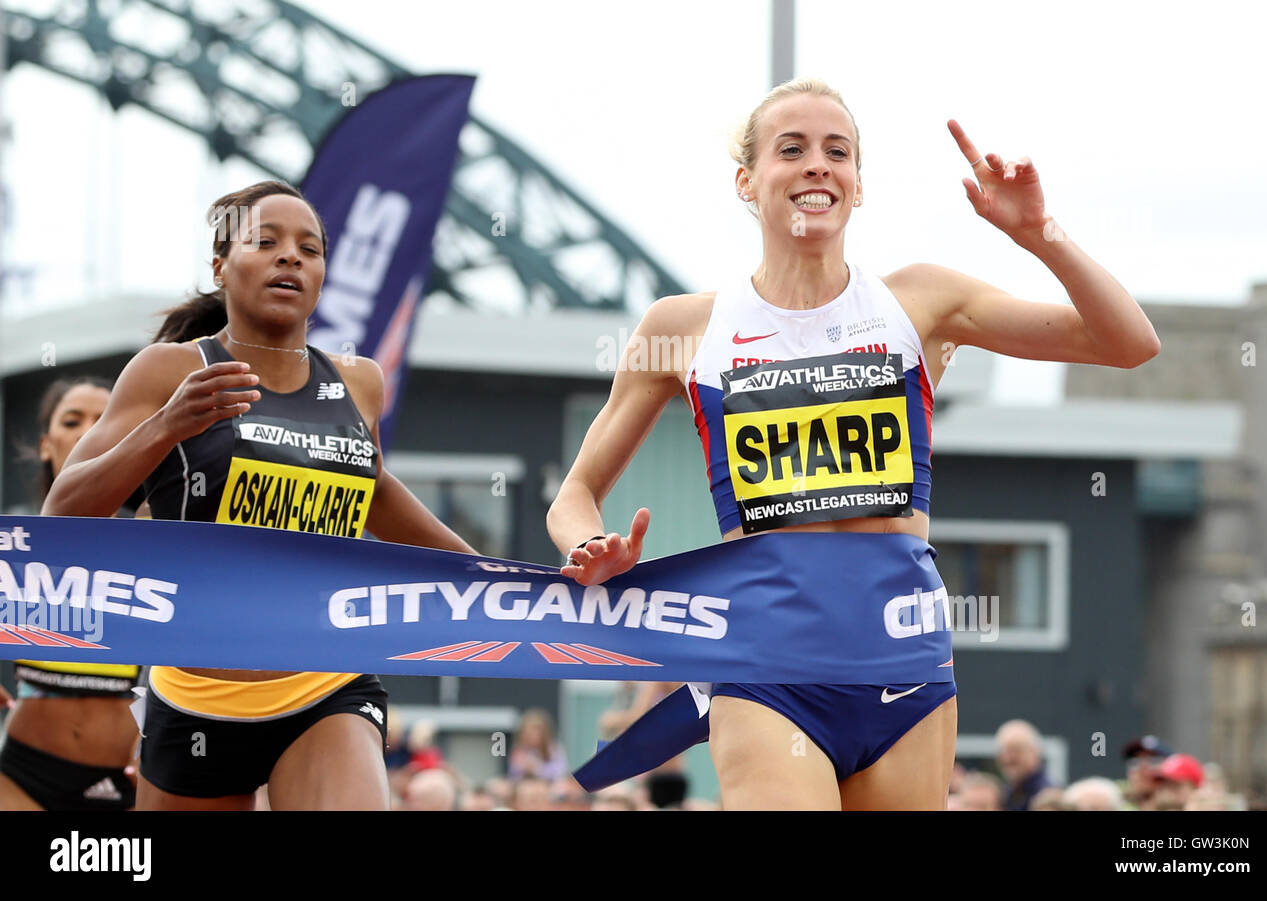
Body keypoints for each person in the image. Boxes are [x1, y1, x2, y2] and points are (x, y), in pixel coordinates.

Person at [547, 78, 1159, 810]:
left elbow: (1127, 343)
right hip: (764, 662)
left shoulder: (919, 302)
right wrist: (590, 548)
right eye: (792, 149)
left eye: (837, 151)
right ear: (747, 180)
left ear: (858, 185)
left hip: (903, 663)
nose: (817, 165)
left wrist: (1039, 234)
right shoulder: (682, 327)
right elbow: (574, 495)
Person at [43, 180, 476, 810]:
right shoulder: (168, 370)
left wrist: (513, 581)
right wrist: (167, 426)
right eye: (265, 241)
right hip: (194, 694)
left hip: (326, 684)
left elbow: (377, 493)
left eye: (310, 248)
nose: (291, 257)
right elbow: (66, 509)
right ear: (221, 265)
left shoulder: (360, 383)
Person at [0, 377, 141, 811]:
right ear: (46, 444)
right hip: (23, 776)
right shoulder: (15, 538)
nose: (87, 432)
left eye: (104, 420)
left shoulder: (159, 533)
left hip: (134, 779)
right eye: (72, 420)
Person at [997, 719, 1057, 811]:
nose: (1008, 758)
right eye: (1005, 751)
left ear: (1035, 752)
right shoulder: (1006, 794)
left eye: (1016, 750)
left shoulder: (1049, 795)